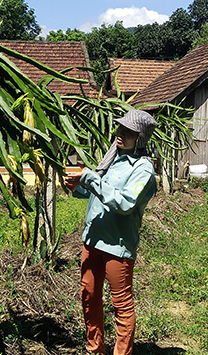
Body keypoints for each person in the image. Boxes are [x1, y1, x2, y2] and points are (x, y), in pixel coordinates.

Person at [64, 109, 158, 355]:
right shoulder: (112, 158)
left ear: (141, 139)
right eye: (120, 129)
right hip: (92, 240)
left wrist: (91, 179)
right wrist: (79, 186)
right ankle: (94, 349)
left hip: (117, 246)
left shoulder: (143, 170)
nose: (121, 134)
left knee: (121, 305)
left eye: (128, 132)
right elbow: (98, 193)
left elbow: (125, 203)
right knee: (89, 297)